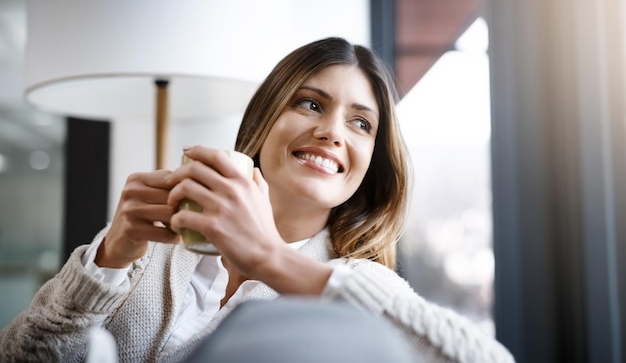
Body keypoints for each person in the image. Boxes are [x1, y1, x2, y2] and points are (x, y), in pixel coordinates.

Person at [0, 37, 514, 363]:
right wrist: (107, 260)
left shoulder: (355, 287)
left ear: (370, 162)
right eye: (310, 103)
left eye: (361, 123)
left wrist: (270, 259)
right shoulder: (150, 248)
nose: (332, 131)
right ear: (264, 120)